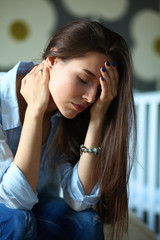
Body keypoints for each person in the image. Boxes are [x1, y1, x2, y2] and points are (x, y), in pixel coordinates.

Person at [0, 20, 136, 240]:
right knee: (17, 220)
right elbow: (14, 201)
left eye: (100, 90)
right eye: (83, 79)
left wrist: (97, 118)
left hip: (31, 205)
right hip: (10, 209)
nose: (91, 97)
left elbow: (79, 200)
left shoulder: (70, 116)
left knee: (86, 222)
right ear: (52, 61)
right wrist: (35, 110)